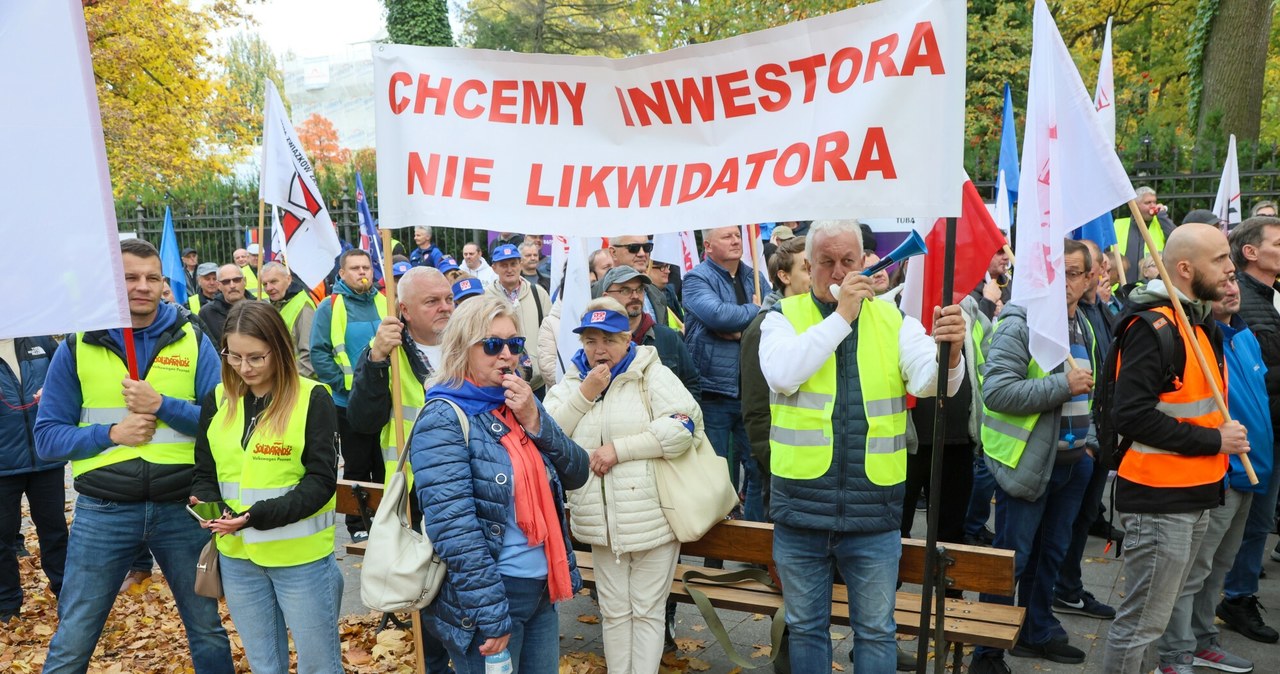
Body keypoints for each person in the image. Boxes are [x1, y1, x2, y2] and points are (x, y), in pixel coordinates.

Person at [758, 219, 966, 673]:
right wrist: (841, 319)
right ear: (808, 266)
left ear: (865, 263)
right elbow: (782, 374)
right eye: (827, 263)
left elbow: (931, 383)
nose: (838, 272)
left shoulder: (896, 321)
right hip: (801, 507)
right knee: (807, 627)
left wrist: (950, 355)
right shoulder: (780, 318)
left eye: (848, 261)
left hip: (874, 509)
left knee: (875, 631)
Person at [33, 238, 232, 673]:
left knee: (207, 629)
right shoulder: (78, 345)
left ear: (164, 283)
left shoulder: (192, 338)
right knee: (74, 634)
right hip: (103, 513)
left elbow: (224, 423)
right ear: (111, 282)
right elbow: (47, 439)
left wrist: (163, 406)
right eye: (129, 278)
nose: (142, 286)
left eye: (152, 277)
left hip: (182, 510)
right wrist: (112, 433)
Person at [409, 295, 589, 673]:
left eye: (514, 344)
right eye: (492, 344)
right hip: (491, 598)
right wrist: (491, 614)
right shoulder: (443, 417)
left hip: (541, 589)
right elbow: (454, 528)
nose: (506, 355)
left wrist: (535, 420)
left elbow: (577, 471)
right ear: (462, 348)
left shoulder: (517, 402)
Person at [1101, 223, 1247, 672]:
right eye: (1220, 259)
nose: (1230, 268)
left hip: (1196, 493)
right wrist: (1214, 439)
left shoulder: (1198, 322)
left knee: (1157, 620)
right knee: (1142, 622)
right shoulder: (1153, 326)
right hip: (1160, 501)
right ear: (1185, 269)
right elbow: (1130, 416)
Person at [545, 298, 702, 674]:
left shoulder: (651, 373)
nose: (599, 350)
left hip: (653, 518)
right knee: (614, 612)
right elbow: (547, 436)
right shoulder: (572, 381)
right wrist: (585, 395)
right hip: (601, 525)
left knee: (647, 611)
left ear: (627, 338)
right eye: (590, 341)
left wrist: (622, 449)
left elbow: (685, 425)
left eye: (609, 340)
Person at [189, 301, 341, 674]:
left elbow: (321, 482)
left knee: (318, 665)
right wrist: (209, 507)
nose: (245, 368)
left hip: (300, 558)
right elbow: (204, 474)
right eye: (234, 356)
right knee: (264, 665)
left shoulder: (312, 397)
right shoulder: (218, 398)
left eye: (256, 357)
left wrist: (253, 517)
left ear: (280, 349)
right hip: (239, 558)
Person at [969, 239, 1099, 672]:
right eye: (1057, 272)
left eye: (1075, 273)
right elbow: (998, 391)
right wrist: (1063, 386)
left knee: (1051, 555)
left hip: (1071, 464)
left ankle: (1036, 632)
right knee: (1011, 561)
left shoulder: (1081, 322)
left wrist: (1089, 444)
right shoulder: (1019, 322)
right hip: (1026, 464)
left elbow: (1089, 392)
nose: (1066, 282)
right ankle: (987, 651)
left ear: (1088, 278)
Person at [1150, 271, 1265, 674]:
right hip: (1220, 472)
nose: (1232, 289)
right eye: (1224, 280)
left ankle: (1202, 639)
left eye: (1235, 281)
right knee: (1192, 570)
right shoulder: (1200, 339)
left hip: (1252, 472)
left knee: (1218, 568)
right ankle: (1178, 649)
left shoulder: (1244, 336)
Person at [1050, 239, 1120, 623]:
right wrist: (1092, 445)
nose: (1101, 271)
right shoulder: (1050, 319)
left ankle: (1067, 589)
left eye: (1077, 272)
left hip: (1091, 445)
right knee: (1055, 535)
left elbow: (1102, 379)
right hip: (1066, 449)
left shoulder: (1095, 315)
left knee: (1074, 527)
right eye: (1066, 272)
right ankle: (1060, 593)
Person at [1218, 215, 1280, 643]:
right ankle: (1234, 597)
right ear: (1251, 252)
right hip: (1257, 432)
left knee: (1256, 524)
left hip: (1268, 430)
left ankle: (1236, 594)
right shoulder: (1245, 302)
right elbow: (1253, 373)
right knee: (1247, 524)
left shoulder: (1270, 296)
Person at [685, 225, 769, 521]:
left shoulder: (755, 277)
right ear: (708, 246)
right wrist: (753, 314)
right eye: (727, 237)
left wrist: (741, 330)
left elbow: (773, 316)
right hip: (714, 392)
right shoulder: (696, 279)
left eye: (737, 235)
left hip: (752, 391)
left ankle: (755, 543)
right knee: (717, 475)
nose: (735, 240)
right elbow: (717, 315)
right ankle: (715, 554)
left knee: (760, 467)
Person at [310, 248, 387, 542]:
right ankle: (357, 524)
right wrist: (346, 386)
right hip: (348, 402)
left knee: (384, 461)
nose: (362, 272)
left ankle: (384, 520)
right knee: (357, 464)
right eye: (355, 268)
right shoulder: (329, 308)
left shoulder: (384, 301)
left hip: (383, 399)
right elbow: (319, 353)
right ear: (342, 274)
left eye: (366, 267)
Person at [0, 334, 65, 622]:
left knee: (55, 532)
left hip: (45, 459)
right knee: (2, 540)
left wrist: (52, 394)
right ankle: (7, 607)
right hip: (2, 466)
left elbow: (65, 380)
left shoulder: (39, 341)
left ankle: (68, 597)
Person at [742, 235, 810, 508]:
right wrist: (774, 462)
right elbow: (756, 409)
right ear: (784, 276)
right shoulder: (763, 327)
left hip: (821, 467)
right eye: (806, 268)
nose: (815, 273)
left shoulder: (824, 320)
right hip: (785, 469)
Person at [595, 266, 700, 398]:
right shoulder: (597, 342)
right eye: (625, 290)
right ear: (606, 296)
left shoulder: (667, 337)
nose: (635, 296)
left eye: (640, 290)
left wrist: (681, 416)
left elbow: (691, 384)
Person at [486, 243, 551, 393]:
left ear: (520, 264)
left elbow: (550, 333)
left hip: (537, 382)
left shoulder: (538, 293)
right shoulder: (486, 298)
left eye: (513, 264)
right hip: (501, 383)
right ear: (494, 268)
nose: (510, 269)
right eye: (504, 265)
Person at [259, 262, 317, 378]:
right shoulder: (274, 305)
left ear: (288, 279)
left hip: (296, 381)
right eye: (265, 284)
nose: (269, 288)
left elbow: (309, 355)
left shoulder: (303, 306)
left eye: (274, 282)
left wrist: (290, 382)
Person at [1115, 185, 1177, 276]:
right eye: (1148, 203)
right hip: (1122, 285)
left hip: (1151, 285)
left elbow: (1177, 239)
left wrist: (1163, 216)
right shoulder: (1118, 224)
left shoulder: (1161, 223)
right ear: (1134, 205)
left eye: (1154, 202)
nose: (1153, 206)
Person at [609, 235, 669, 326]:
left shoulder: (657, 294)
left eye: (646, 248)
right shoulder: (591, 294)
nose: (642, 253)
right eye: (633, 248)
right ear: (613, 253)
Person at [200, 263, 253, 346]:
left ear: (245, 281)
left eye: (236, 280)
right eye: (226, 282)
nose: (232, 285)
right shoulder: (207, 313)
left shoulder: (261, 308)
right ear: (218, 286)